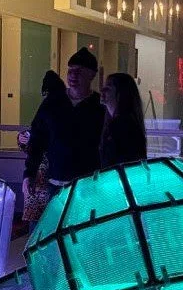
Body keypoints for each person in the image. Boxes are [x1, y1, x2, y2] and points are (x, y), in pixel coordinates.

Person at [23, 47, 104, 203]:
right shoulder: (53, 102)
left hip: (88, 185)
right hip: (56, 183)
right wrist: (29, 174)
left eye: (79, 71)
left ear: (92, 75)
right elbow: (37, 141)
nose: (73, 75)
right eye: (70, 70)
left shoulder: (99, 107)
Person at [19, 70, 66, 228]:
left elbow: (37, 140)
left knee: (40, 223)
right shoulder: (51, 112)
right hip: (42, 180)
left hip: (44, 179)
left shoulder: (50, 111)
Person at [100, 72, 148, 169]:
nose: (102, 90)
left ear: (121, 93)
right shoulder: (126, 123)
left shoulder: (123, 125)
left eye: (108, 87)